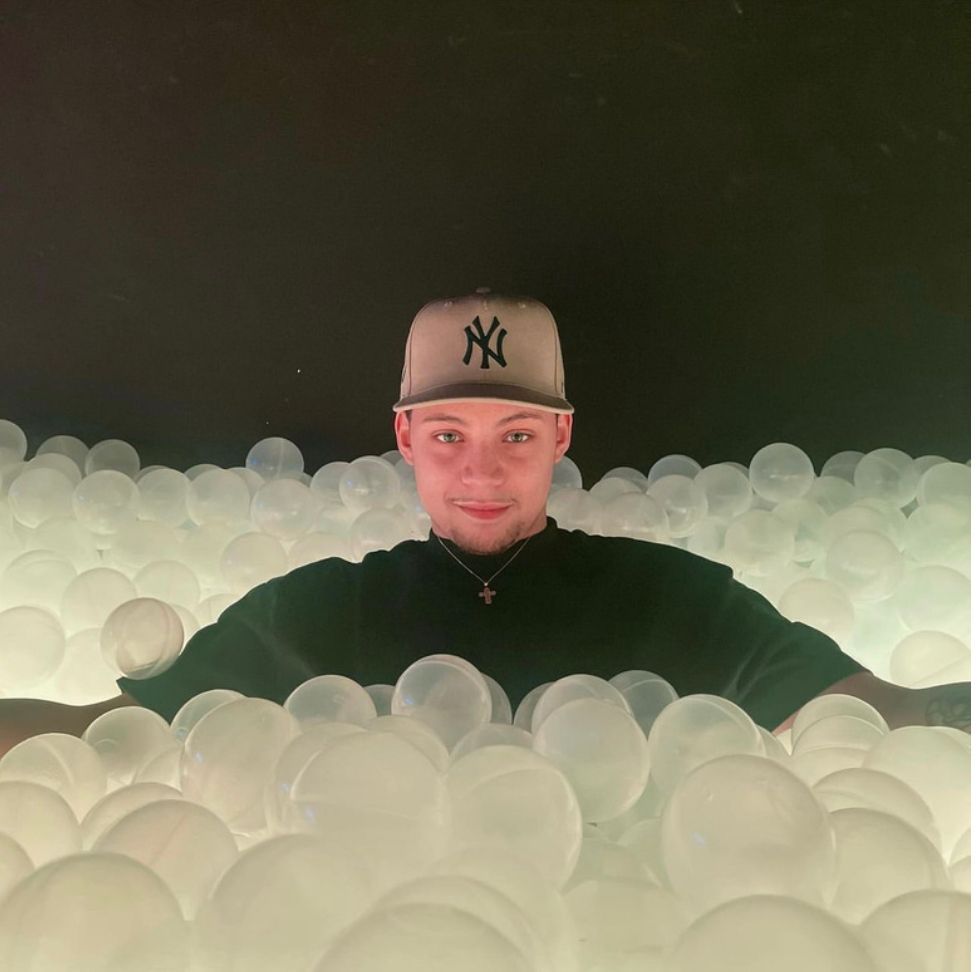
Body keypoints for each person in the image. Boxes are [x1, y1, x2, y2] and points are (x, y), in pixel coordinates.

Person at [0, 290, 969, 756]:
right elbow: (109, 738)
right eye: (449, 432)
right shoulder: (320, 608)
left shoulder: (668, 594)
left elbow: (865, 707)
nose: (479, 468)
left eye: (513, 433)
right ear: (404, 437)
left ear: (559, 437)